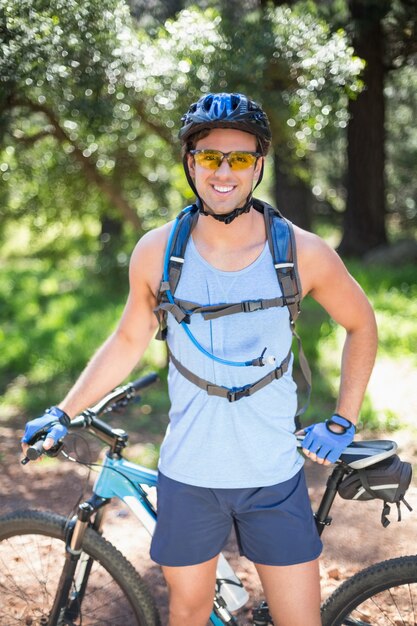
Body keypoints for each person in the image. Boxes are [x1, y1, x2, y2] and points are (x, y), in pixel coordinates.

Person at [21, 92, 378, 626]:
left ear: (259, 165)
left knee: (298, 619)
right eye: (211, 157)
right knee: (188, 613)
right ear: (191, 163)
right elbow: (126, 341)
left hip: (273, 474)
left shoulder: (301, 251)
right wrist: (64, 410)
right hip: (189, 475)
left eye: (240, 158)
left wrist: (344, 417)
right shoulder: (157, 252)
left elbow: (362, 323)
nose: (224, 172)